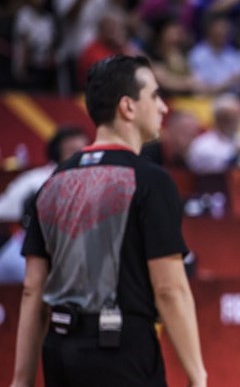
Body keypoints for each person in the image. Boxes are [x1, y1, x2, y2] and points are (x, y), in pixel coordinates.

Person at [11, 55, 207, 387]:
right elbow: (170, 289)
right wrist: (197, 375)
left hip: (59, 352)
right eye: (155, 96)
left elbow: (33, 290)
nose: (163, 108)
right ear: (128, 107)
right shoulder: (151, 180)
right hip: (122, 353)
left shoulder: (53, 181)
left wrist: (21, 379)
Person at [0, 127, 89, 223]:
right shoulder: (34, 181)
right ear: (57, 151)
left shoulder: (93, 180)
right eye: (73, 151)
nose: (79, 157)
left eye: (83, 151)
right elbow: (4, 211)